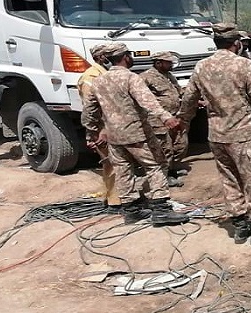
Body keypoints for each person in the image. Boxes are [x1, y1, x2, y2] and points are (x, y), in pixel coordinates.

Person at [178, 30, 251, 246]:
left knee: (229, 179)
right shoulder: (243, 65)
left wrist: (182, 120)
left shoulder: (201, 66)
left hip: (217, 135)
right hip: (243, 135)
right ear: (237, 43)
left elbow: (189, 98)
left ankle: (240, 225)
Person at [81, 43, 189, 226]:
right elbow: (148, 101)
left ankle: (132, 211)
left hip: (114, 137)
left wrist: (91, 133)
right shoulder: (131, 78)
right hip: (137, 134)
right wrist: (166, 117)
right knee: (156, 165)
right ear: (126, 57)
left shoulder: (99, 81)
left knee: (123, 170)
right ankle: (161, 210)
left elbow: (88, 112)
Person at [78, 43, 122, 212]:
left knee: (117, 163)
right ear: (98, 57)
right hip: (101, 128)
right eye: (105, 55)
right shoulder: (91, 77)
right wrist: (98, 131)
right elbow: (91, 109)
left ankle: (115, 197)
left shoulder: (105, 73)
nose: (109, 57)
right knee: (111, 164)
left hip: (113, 126)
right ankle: (114, 202)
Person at [141, 51, 188, 184]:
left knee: (180, 144)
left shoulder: (169, 76)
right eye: (168, 62)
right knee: (164, 148)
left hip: (174, 116)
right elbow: (140, 97)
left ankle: (171, 168)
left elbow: (179, 91)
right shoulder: (146, 77)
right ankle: (164, 176)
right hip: (158, 119)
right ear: (158, 63)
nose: (171, 65)